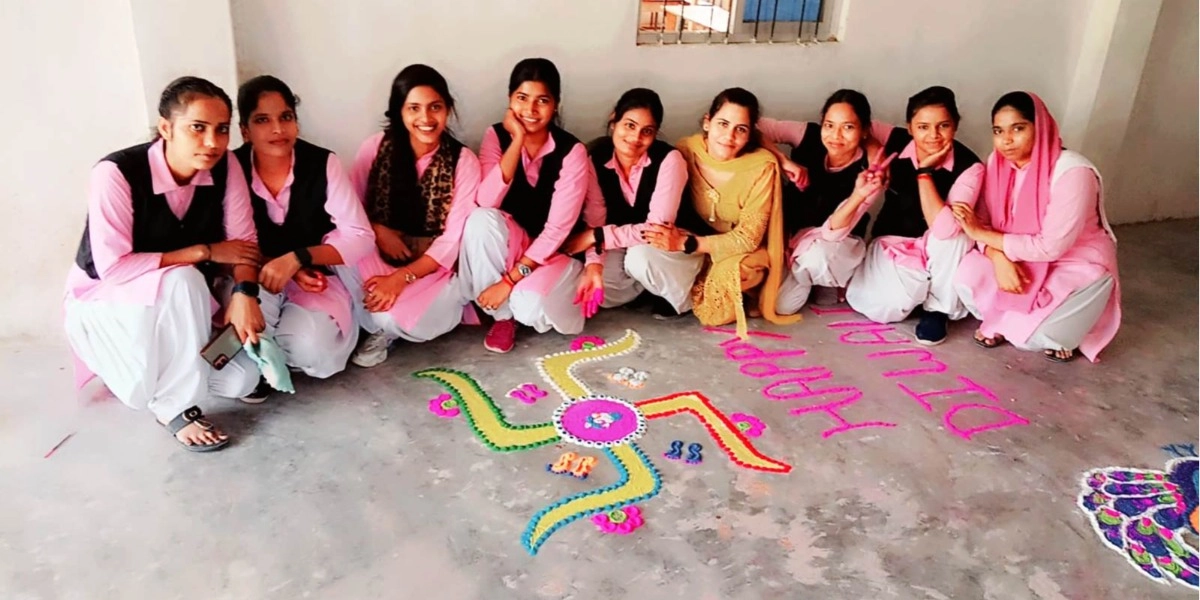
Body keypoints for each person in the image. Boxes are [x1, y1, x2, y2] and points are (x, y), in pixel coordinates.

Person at [64, 76, 264, 451]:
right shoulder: (116, 173)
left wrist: (244, 293)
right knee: (183, 279)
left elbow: (244, 246)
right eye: (197, 128)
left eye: (222, 129)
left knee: (242, 380)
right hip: (107, 298)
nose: (213, 142)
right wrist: (203, 251)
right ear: (166, 129)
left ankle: (167, 375)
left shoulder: (225, 166)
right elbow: (113, 269)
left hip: (182, 301)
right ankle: (175, 407)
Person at [952, 91, 1120, 363]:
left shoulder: (1073, 172)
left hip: (1073, 261)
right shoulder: (997, 163)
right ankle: (1014, 323)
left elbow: (1049, 247)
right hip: (1015, 255)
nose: (1006, 140)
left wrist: (981, 235)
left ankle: (1056, 327)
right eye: (998, 131)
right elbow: (981, 222)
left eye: (1018, 128)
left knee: (1036, 336)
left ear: (1040, 127)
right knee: (965, 275)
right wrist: (998, 258)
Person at [233, 75, 374, 391]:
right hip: (253, 274)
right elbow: (229, 243)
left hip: (315, 278)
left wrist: (298, 259)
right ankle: (261, 366)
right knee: (243, 340)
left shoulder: (322, 163)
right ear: (245, 131)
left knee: (312, 349)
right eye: (262, 120)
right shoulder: (231, 169)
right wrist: (277, 266)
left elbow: (360, 236)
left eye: (285, 117)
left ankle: (274, 360)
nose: (277, 129)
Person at [347, 64, 481, 367]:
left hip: (432, 267)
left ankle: (388, 323)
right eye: (414, 108)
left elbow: (451, 241)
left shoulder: (463, 161)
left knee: (398, 319)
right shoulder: (375, 148)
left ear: (448, 109)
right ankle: (378, 316)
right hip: (377, 255)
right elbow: (350, 210)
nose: (426, 118)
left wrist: (400, 278)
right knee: (339, 248)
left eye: (435, 107)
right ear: (399, 111)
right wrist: (378, 229)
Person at [646, 87, 799, 339]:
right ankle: (685, 294)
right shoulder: (687, 150)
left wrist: (688, 243)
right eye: (723, 124)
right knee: (642, 255)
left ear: (750, 134)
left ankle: (742, 290)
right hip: (695, 246)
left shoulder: (761, 167)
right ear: (707, 122)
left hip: (740, 251)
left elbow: (748, 238)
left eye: (741, 129)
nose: (729, 136)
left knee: (718, 310)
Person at [459, 58, 588, 353]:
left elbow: (557, 230)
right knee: (480, 219)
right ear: (509, 99)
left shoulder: (572, 151)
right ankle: (503, 318)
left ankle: (519, 298)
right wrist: (516, 141)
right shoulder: (496, 136)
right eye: (522, 98)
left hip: (555, 253)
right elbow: (485, 201)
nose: (530, 110)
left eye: (542, 100)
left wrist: (508, 281)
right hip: (512, 244)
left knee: (529, 307)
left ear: (555, 105)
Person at [843, 86, 985, 345]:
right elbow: (859, 128)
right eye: (923, 127)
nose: (933, 135)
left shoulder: (970, 167)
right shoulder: (895, 138)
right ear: (909, 127)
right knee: (886, 307)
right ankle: (921, 291)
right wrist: (875, 153)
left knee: (956, 233)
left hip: (940, 249)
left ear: (955, 125)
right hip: (893, 243)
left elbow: (944, 230)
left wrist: (925, 173)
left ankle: (938, 309)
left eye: (943, 126)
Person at [565, 87, 701, 320]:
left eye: (647, 131)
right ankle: (647, 291)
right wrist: (594, 264)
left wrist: (599, 236)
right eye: (629, 125)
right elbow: (595, 219)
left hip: (671, 247)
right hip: (626, 244)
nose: (636, 138)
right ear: (613, 121)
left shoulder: (669, 160)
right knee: (592, 283)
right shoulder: (596, 158)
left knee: (641, 257)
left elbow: (656, 231)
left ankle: (684, 298)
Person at [759, 89, 891, 313]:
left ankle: (828, 279)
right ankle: (813, 278)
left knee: (819, 256)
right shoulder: (807, 135)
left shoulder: (870, 172)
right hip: (795, 239)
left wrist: (859, 194)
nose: (836, 136)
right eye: (829, 125)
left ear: (864, 130)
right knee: (781, 306)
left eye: (848, 127)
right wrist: (783, 160)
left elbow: (833, 233)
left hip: (838, 245)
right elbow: (751, 126)